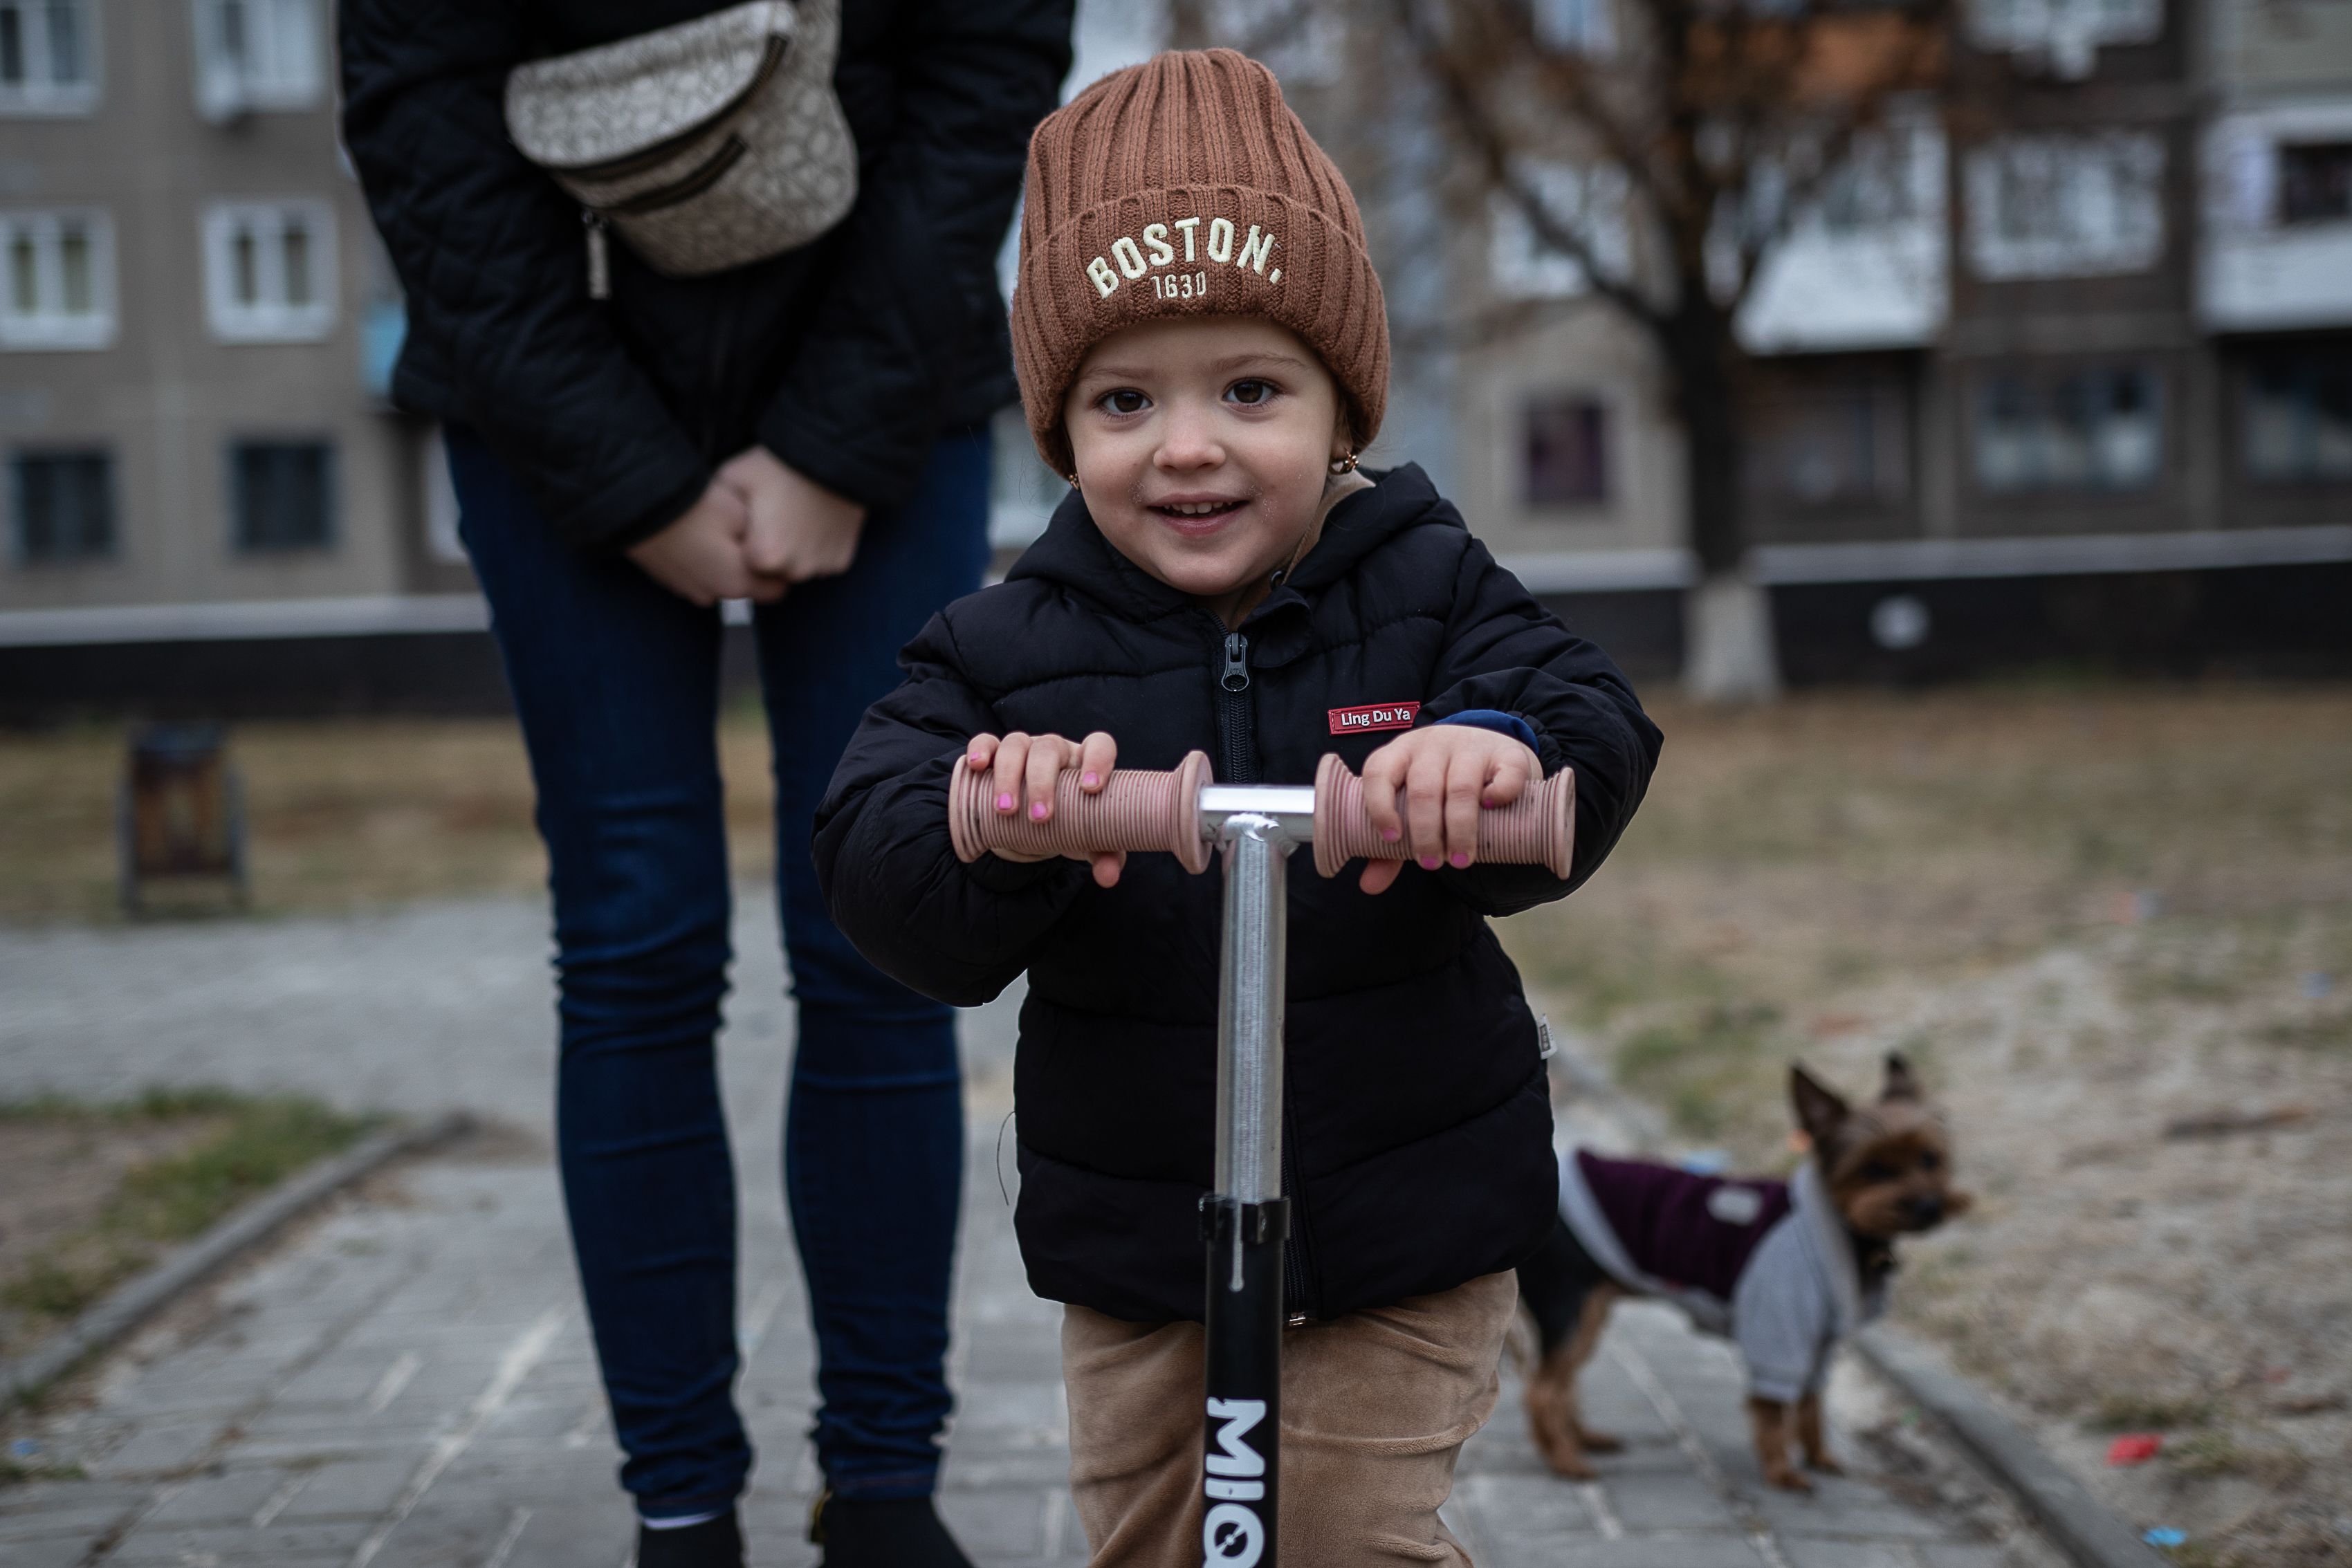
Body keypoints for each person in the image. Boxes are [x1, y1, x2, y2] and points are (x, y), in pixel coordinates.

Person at [814, 50, 1664, 1567]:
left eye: (1250, 389)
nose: (1188, 444)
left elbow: (1583, 712)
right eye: (1124, 400)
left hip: (1406, 1211)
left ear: (1342, 410)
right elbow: (873, 847)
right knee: (1165, 1546)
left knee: (1337, 1538)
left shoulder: (1430, 584)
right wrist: (989, 826)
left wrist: (1489, 750)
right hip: (1140, 1237)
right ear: (1061, 430)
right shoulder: (1004, 650)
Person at [338, 5, 1074, 1565]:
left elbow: (987, 58)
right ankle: (680, 1512)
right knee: (632, 938)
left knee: (880, 929)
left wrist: (831, 445)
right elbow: (419, 115)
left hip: (881, 350)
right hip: (543, 365)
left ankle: (885, 1497)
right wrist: (629, 483)